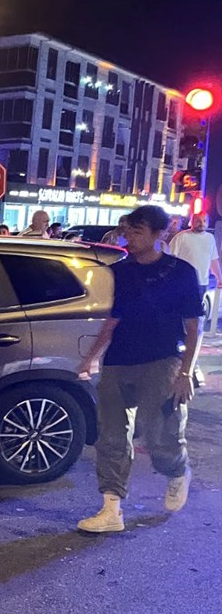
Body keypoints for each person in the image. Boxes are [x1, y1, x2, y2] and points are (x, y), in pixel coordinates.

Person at [76, 205, 202, 533]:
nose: (130, 238)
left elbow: (193, 327)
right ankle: (111, 509)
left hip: (162, 360)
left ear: (158, 234)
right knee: (111, 436)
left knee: (159, 435)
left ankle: (177, 471)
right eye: (128, 231)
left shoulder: (181, 272)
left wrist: (185, 372)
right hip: (119, 359)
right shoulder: (122, 271)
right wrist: (92, 357)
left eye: (137, 232)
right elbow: (113, 320)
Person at [170, 212, 221, 301]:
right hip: (183, 282)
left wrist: (219, 278)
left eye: (204, 221)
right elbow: (170, 258)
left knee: (195, 313)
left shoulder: (210, 238)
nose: (202, 223)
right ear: (192, 221)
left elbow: (213, 260)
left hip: (202, 283)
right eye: (198, 221)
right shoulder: (182, 237)